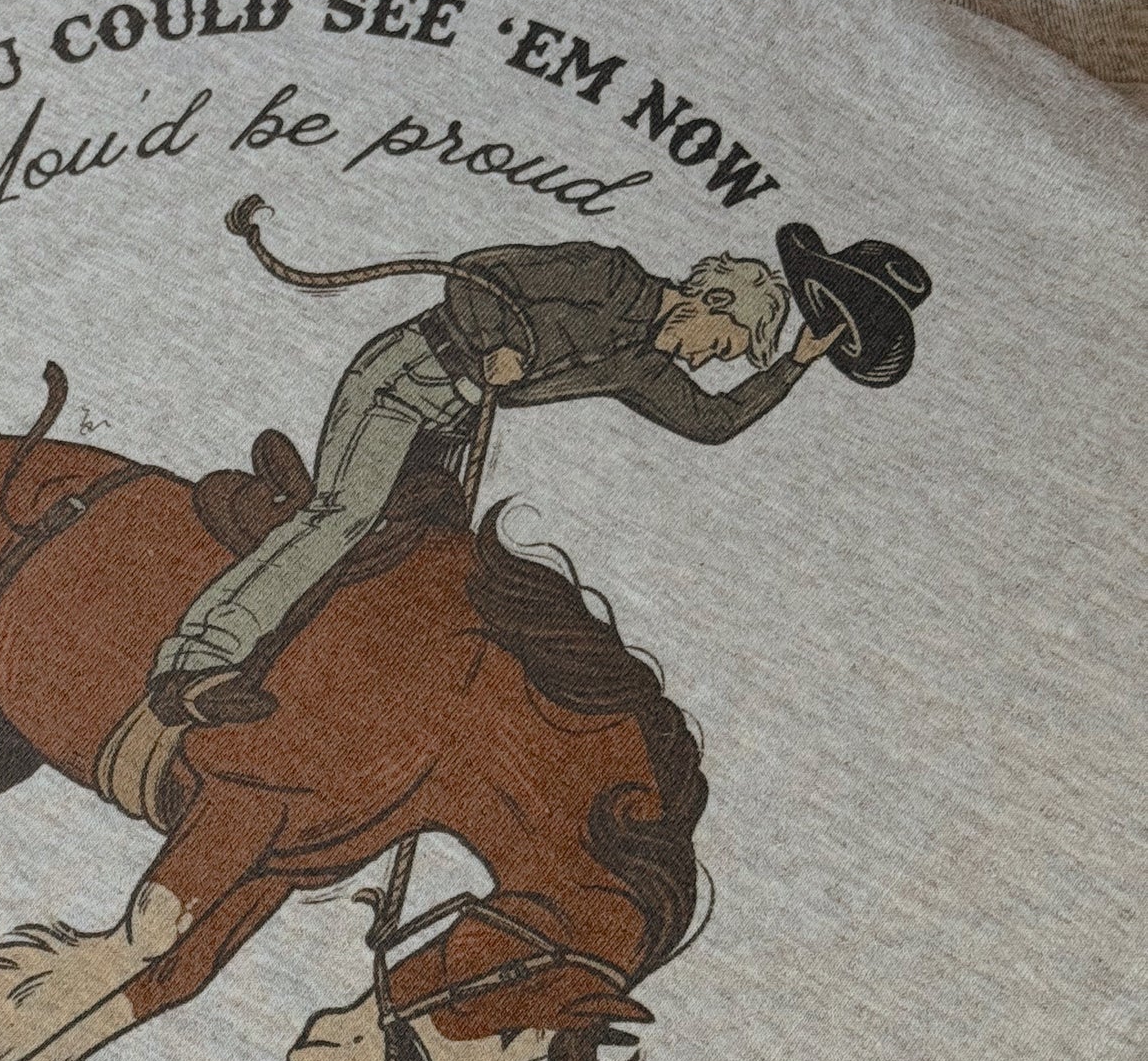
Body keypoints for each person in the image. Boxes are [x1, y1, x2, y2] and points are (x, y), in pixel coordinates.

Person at [149, 237, 840, 726]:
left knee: (428, 567)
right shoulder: (609, 275)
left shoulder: (640, 365)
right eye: (720, 345)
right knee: (343, 515)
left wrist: (797, 363)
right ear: (710, 299)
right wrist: (497, 343)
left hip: (450, 420)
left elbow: (711, 421)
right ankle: (196, 660)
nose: (707, 360)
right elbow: (475, 273)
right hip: (407, 376)